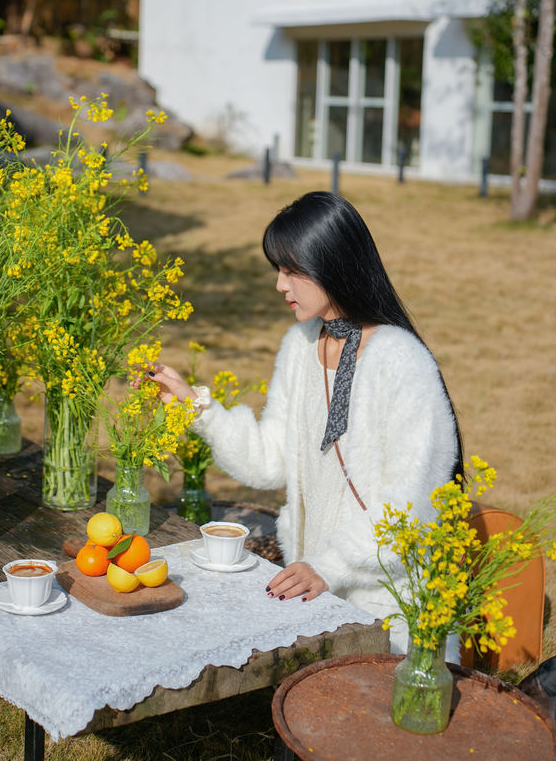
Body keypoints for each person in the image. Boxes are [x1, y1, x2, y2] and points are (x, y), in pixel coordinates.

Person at [150, 191, 463, 655]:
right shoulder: (301, 345)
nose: (280, 285)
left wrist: (331, 565)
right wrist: (198, 409)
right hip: (312, 594)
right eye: (278, 269)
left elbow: (413, 503)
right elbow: (270, 462)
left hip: (389, 607)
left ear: (332, 264)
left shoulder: (401, 360)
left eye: (292, 271)